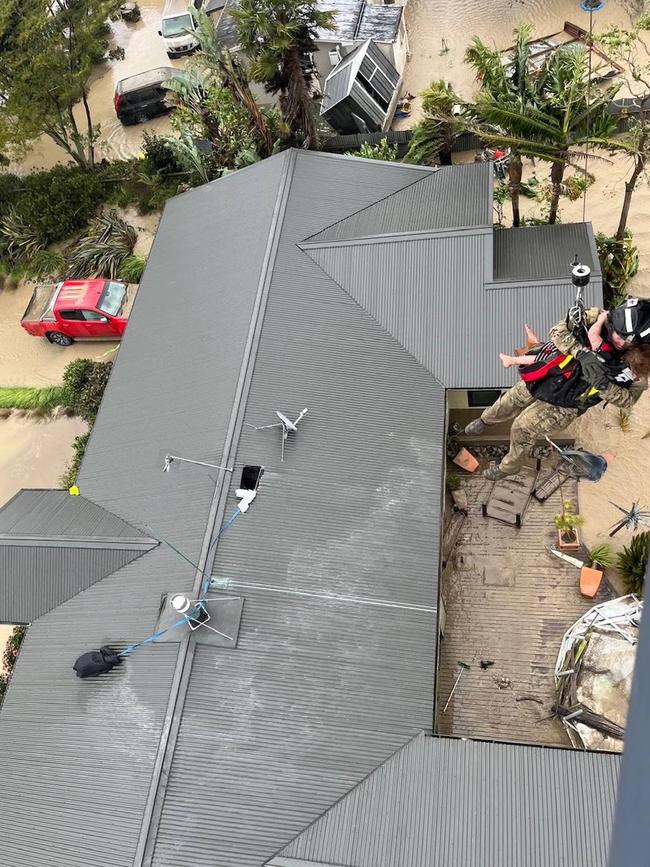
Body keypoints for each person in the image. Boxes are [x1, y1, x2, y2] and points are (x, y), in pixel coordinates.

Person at [464, 298, 650, 480]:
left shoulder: (640, 367)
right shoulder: (594, 318)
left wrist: (602, 384)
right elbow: (557, 331)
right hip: (552, 373)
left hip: (570, 401)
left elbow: (628, 400)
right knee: (510, 399)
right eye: (619, 334)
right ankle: (485, 420)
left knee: (522, 428)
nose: (622, 342)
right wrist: (580, 353)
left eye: (629, 342)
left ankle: (508, 467)